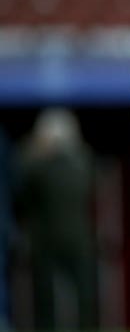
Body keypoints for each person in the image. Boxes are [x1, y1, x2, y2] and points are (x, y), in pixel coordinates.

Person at [13, 108, 98, 329]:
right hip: (49, 240)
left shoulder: (75, 161)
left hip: (71, 239)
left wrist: (38, 150)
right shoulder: (45, 164)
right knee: (46, 298)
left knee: (83, 294)